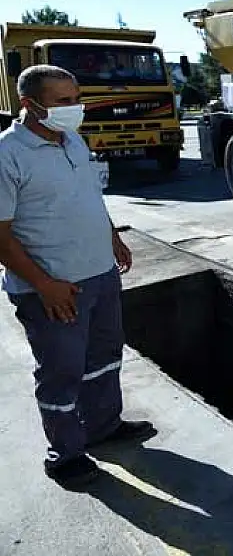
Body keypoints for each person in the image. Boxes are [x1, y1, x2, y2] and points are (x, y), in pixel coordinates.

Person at [0, 65, 154, 489]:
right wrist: (44, 285)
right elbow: (0, 234)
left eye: (76, 98)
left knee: (104, 358)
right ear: (29, 105)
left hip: (100, 276)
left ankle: (104, 427)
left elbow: (89, 195)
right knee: (61, 372)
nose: (76, 108)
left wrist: (112, 238)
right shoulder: (7, 153)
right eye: (63, 101)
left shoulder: (73, 138)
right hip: (52, 288)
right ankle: (65, 455)